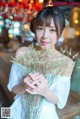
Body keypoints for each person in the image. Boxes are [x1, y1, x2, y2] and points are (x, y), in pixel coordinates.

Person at [7, 6, 75, 119]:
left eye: (52, 30)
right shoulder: (22, 52)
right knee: (3, 113)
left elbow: (60, 102)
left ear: (62, 32)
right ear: (34, 28)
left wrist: (45, 91)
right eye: (40, 28)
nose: (44, 36)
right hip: (16, 111)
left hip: (45, 115)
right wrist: (24, 87)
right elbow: (13, 89)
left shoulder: (66, 63)